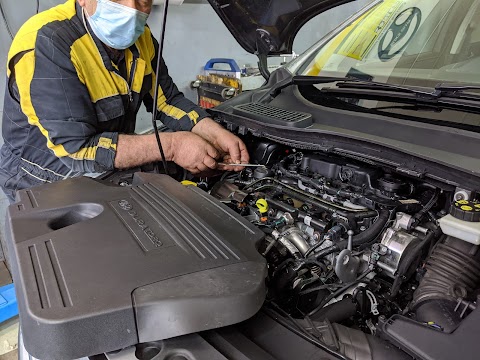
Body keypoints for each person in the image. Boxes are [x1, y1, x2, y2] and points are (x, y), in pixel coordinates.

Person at [0, 0, 249, 202]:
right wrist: (174, 146)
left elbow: (166, 100)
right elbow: (76, 149)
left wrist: (213, 131)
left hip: (106, 162)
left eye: (142, 0)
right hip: (39, 175)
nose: (131, 9)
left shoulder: (142, 39)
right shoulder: (46, 41)